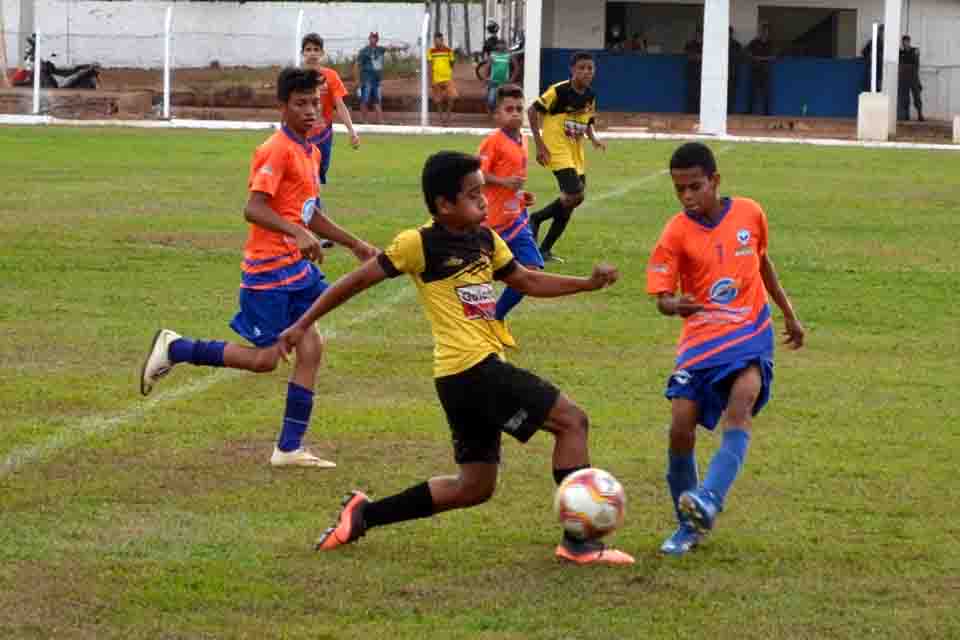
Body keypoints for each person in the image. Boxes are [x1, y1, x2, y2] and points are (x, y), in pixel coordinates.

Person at [278, 151, 634, 566]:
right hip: (472, 370)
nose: (484, 201)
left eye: (483, 191)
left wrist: (586, 284)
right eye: (472, 195)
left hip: (461, 378)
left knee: (474, 487)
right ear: (444, 204)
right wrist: (302, 324)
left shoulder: (485, 239)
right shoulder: (419, 243)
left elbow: (525, 279)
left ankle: (364, 514)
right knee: (571, 421)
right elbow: (356, 281)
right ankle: (579, 544)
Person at [139, 67, 378, 469]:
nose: (309, 111)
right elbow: (254, 207)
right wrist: (296, 234)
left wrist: (354, 243)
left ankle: (288, 448)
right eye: (299, 104)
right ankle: (176, 348)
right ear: (282, 106)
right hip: (267, 272)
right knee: (264, 360)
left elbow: (308, 212)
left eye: (314, 104)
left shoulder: (311, 150)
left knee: (312, 346)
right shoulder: (276, 149)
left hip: (296, 271)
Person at [646, 142, 805, 556]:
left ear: (715, 181)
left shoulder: (750, 213)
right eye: (679, 189)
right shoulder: (675, 232)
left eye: (695, 187)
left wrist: (788, 312)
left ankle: (709, 499)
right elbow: (661, 295)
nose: (687, 197)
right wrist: (673, 304)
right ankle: (688, 525)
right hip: (700, 340)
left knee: (742, 401)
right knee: (681, 424)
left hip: (750, 333)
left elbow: (762, 263)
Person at [527, 51, 605, 264]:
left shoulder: (590, 95)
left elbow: (587, 121)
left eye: (590, 68)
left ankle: (544, 249)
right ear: (572, 70)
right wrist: (539, 143)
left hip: (575, 153)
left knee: (571, 202)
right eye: (582, 68)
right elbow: (532, 111)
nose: (586, 72)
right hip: (556, 149)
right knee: (576, 194)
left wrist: (594, 139)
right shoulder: (559, 91)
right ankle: (536, 218)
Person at [478, 84, 541, 321]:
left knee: (530, 269)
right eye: (509, 109)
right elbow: (479, 174)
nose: (515, 113)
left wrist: (522, 196)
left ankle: (497, 316)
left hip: (517, 219)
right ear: (497, 114)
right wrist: (504, 183)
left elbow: (515, 181)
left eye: (519, 108)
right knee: (478, 277)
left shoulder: (523, 139)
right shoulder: (492, 141)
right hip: (492, 222)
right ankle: (476, 322)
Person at [300, 33, 360, 184]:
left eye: (316, 49)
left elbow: (339, 105)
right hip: (301, 134)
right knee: (306, 175)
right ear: (302, 53)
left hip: (323, 135)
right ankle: (311, 205)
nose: (312, 53)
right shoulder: (295, 77)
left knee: (319, 174)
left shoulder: (331, 76)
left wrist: (351, 131)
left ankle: (312, 204)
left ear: (322, 53)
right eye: (308, 49)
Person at [354, 31, 386, 125]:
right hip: (366, 79)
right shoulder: (364, 51)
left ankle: (380, 120)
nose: (374, 39)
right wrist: (357, 82)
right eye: (372, 37)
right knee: (365, 99)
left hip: (376, 80)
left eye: (375, 37)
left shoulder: (380, 49)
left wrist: (402, 47)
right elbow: (356, 66)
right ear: (369, 38)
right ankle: (364, 120)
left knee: (377, 100)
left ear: (378, 39)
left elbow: (391, 48)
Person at [427, 32, 458, 126]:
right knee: (438, 101)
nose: (436, 42)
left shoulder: (448, 51)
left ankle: (448, 117)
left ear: (442, 40)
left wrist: (447, 71)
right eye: (434, 40)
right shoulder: (431, 51)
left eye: (438, 40)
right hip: (436, 79)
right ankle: (441, 120)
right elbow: (429, 66)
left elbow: (452, 63)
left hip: (447, 79)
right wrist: (430, 80)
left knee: (453, 97)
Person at [747, 23, 775, 115]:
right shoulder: (754, 42)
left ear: (768, 33)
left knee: (765, 93)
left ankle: (766, 113)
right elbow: (747, 53)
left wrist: (759, 58)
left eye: (766, 31)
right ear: (760, 32)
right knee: (752, 92)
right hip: (755, 70)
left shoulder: (771, 43)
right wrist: (758, 58)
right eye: (762, 31)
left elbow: (773, 57)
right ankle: (749, 112)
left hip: (765, 71)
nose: (764, 33)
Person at [898, 35, 924, 121]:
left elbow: (917, 65)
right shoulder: (900, 53)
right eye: (904, 42)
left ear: (909, 42)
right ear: (902, 43)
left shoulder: (915, 50)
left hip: (913, 76)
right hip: (904, 77)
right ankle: (906, 115)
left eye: (907, 41)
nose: (905, 43)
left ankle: (920, 114)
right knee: (905, 97)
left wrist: (918, 80)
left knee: (917, 96)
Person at [486, 40, 513, 114]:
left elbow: (517, 67)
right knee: (491, 100)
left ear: (505, 45)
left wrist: (512, 79)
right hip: (493, 81)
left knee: (503, 100)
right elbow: (487, 67)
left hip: (504, 82)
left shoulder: (508, 55)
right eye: (499, 44)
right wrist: (486, 78)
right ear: (497, 46)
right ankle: (491, 112)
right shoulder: (493, 55)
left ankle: (499, 114)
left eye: (503, 44)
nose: (501, 46)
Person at [684, 27, 703, 114]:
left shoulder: (707, 44)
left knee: (701, 96)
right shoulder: (690, 44)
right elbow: (688, 56)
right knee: (691, 95)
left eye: (700, 34)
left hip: (702, 75)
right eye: (697, 34)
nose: (698, 36)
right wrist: (698, 57)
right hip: (692, 74)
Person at [861, 25, 884, 92]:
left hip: (881, 68)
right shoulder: (873, 41)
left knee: (879, 87)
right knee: (874, 86)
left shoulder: (886, 42)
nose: (882, 33)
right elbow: (864, 52)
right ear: (879, 32)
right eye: (881, 31)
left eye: (883, 32)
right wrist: (870, 58)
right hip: (874, 68)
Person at [728, 27, 743, 114]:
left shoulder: (737, 45)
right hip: (720, 75)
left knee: (731, 95)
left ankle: (729, 112)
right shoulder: (718, 43)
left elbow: (741, 58)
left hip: (732, 73)